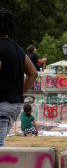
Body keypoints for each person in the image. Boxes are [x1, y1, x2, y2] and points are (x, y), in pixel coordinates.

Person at [0, 8, 38, 146]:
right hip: (14, 104)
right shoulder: (18, 48)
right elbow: (33, 73)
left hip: (2, 103)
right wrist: (18, 92)